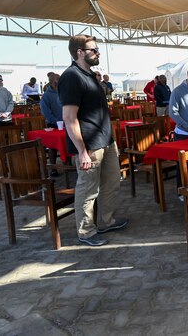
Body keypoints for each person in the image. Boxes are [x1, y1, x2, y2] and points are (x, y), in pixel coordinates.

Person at [58, 35, 126, 247]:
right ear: (80, 52)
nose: (98, 53)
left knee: (112, 183)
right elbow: (69, 118)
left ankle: (106, 221)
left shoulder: (89, 76)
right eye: (94, 50)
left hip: (105, 141)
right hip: (89, 145)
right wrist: (82, 151)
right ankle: (86, 231)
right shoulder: (71, 77)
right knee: (88, 190)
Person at [40, 73, 63, 175]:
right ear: (53, 82)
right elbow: (46, 112)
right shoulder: (46, 95)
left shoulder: (63, 92)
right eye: (58, 79)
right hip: (54, 124)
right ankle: (53, 168)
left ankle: (69, 163)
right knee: (52, 147)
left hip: (66, 122)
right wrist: (55, 121)